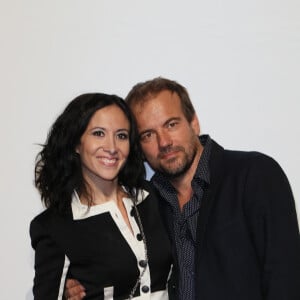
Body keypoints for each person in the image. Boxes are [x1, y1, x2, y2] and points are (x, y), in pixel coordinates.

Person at [65, 78, 300, 300]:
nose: (164, 142)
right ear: (138, 147)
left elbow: (286, 277)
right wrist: (75, 285)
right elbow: (118, 268)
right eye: (148, 134)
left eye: (171, 124)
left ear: (194, 122)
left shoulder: (254, 175)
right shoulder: (143, 202)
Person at [30, 93, 173, 300]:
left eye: (121, 135)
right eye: (98, 133)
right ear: (75, 143)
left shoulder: (155, 197)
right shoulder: (55, 226)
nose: (112, 147)